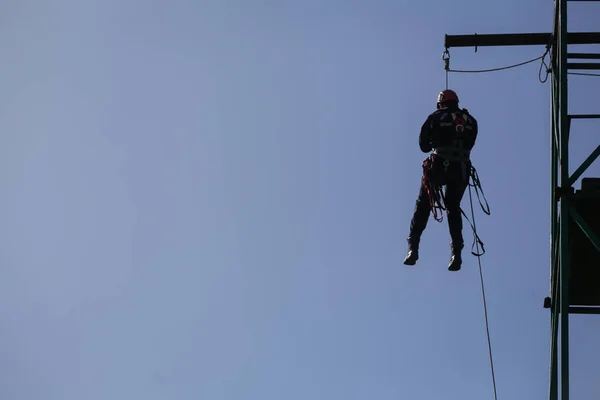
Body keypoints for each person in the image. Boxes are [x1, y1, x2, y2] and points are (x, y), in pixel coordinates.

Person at [404, 89, 478, 271]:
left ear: (440, 103)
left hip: (438, 165)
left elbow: (423, 145)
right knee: (453, 207)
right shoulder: (471, 121)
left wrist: (436, 142)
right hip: (460, 168)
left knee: (423, 205)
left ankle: (413, 248)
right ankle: (457, 253)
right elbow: (471, 143)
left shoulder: (434, 117)